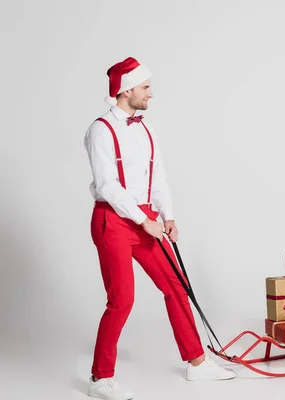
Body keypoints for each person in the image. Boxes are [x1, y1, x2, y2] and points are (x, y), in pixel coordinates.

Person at [84, 57, 235, 400]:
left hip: (148, 219)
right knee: (121, 300)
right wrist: (143, 220)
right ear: (125, 91)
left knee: (176, 286)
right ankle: (100, 378)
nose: (151, 93)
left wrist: (168, 215)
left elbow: (158, 176)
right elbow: (108, 185)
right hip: (114, 220)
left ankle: (197, 363)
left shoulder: (146, 127)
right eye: (145, 87)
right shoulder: (100, 130)